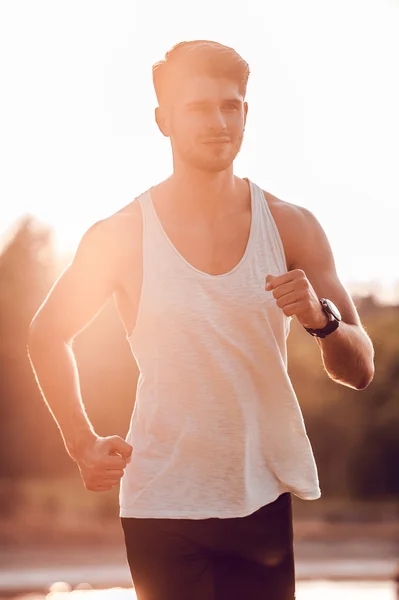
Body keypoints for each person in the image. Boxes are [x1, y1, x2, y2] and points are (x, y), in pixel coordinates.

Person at [28, 40, 375, 600]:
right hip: (161, 503)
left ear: (246, 113)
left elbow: (359, 369)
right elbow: (47, 333)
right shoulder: (119, 236)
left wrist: (322, 319)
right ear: (163, 119)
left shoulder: (292, 227)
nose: (218, 122)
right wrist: (80, 442)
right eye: (197, 108)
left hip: (262, 496)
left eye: (231, 105)